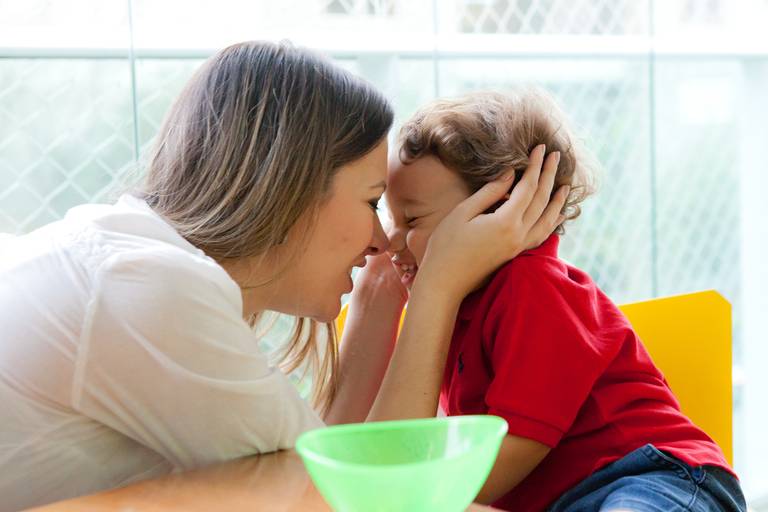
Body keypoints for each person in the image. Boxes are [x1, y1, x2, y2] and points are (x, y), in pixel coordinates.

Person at [0, 42, 567, 510]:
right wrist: (439, 286)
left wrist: (376, 308)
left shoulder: (134, 262)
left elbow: (316, 469)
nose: (380, 241)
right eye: (373, 203)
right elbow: (367, 502)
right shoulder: (154, 290)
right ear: (291, 194)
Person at [380, 89, 747, 511]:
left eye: (412, 218)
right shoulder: (449, 307)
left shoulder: (531, 285)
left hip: (652, 476)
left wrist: (425, 495)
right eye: (390, 216)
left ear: (500, 212)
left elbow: (520, 442)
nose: (391, 239)